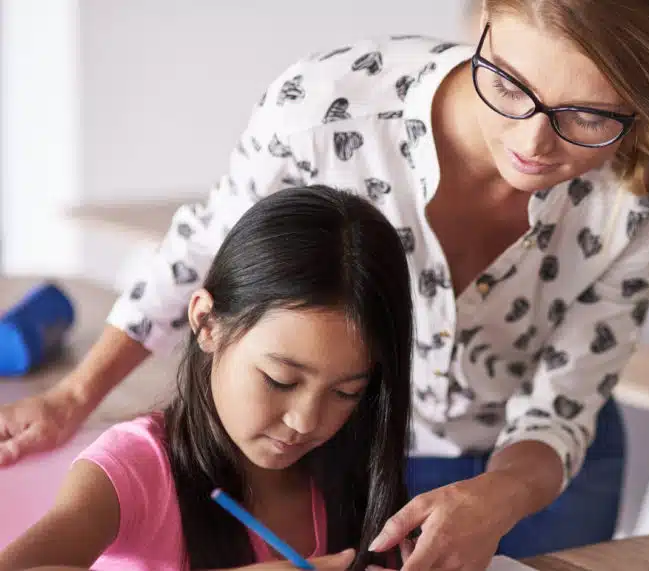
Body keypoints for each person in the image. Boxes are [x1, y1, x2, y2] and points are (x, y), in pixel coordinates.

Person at [0, 0, 649, 566]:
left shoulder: (642, 193)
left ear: (639, 111)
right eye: (513, 85)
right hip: (362, 451)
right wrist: (73, 395)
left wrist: (501, 494)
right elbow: (204, 252)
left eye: (587, 117)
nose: (535, 142)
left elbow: (568, 395)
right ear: (483, 20)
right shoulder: (328, 107)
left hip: (539, 469)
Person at [0, 187, 414, 571]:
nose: (306, 421)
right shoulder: (136, 469)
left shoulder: (355, 467)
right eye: (281, 380)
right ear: (206, 323)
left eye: (346, 392)